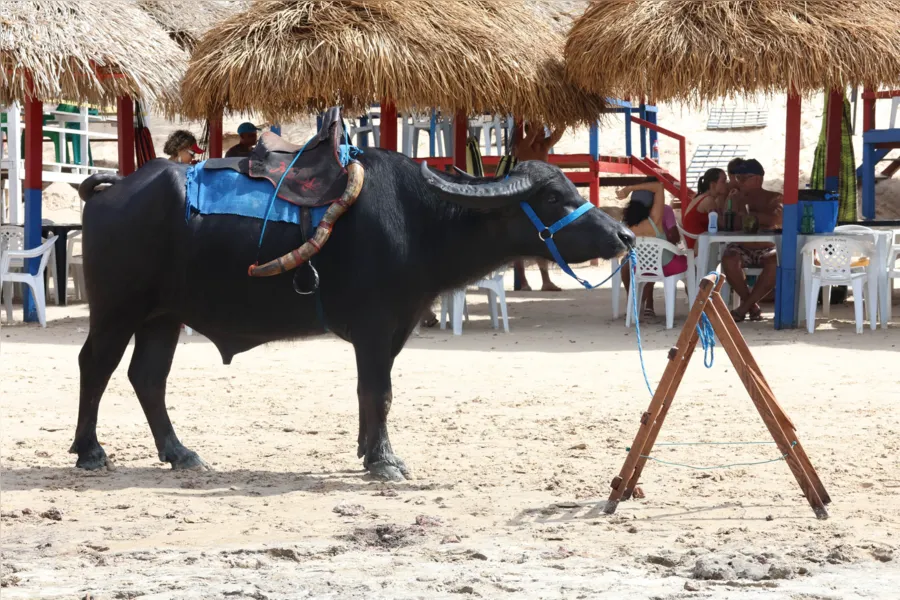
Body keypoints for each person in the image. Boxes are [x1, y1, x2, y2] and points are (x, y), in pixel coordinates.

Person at [718, 159, 783, 323]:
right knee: (729, 258)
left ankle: (743, 308)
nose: (738, 182)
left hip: (767, 248)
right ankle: (750, 306)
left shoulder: (774, 198)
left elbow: (776, 218)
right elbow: (727, 222)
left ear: (757, 179)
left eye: (742, 178)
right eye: (736, 177)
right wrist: (732, 204)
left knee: (776, 261)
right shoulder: (735, 198)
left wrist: (751, 216)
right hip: (742, 247)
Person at [617, 181, 687, 318]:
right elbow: (659, 186)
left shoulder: (629, 224)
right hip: (666, 265)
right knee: (688, 261)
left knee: (631, 264)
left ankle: (635, 303)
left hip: (640, 267)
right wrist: (630, 187)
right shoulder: (656, 218)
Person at [512, 122, 565, 291]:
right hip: (524, 194)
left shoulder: (544, 145)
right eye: (539, 130)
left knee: (543, 238)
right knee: (519, 241)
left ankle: (546, 281)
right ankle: (523, 281)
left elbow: (558, 133)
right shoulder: (522, 146)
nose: (542, 133)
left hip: (540, 195)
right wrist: (533, 131)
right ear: (530, 131)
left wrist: (560, 119)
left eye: (543, 130)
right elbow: (526, 143)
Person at [682, 167, 728, 250]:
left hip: (698, 244)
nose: (727, 184)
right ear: (713, 184)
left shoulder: (704, 197)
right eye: (723, 181)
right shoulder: (708, 200)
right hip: (698, 247)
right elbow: (723, 225)